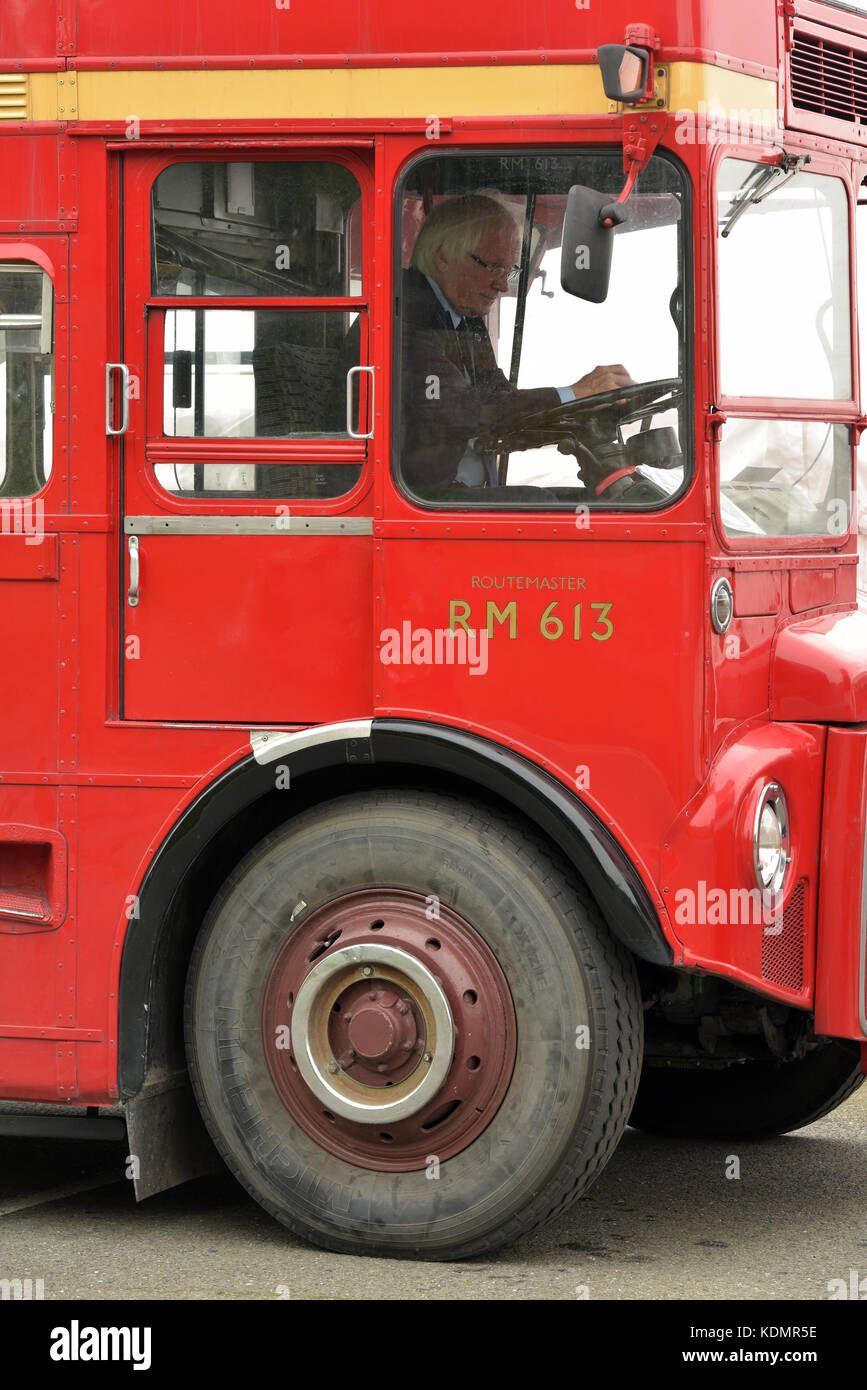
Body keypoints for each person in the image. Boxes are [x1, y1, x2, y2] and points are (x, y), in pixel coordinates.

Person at [399, 193, 632, 496]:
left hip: (452, 495)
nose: (503, 285)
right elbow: (459, 410)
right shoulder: (404, 311)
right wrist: (575, 392)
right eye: (493, 267)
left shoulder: (465, 319)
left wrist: (582, 408)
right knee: (539, 503)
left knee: (585, 501)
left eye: (509, 271)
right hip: (420, 502)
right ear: (444, 256)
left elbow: (500, 408)